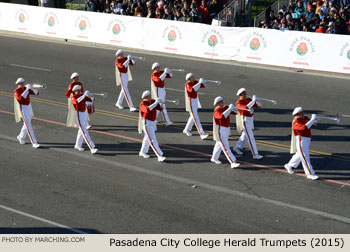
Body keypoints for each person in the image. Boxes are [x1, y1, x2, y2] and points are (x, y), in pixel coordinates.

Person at [284, 107, 319, 180]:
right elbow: (304, 128)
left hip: (307, 140)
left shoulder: (305, 118)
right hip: (301, 141)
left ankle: (289, 165)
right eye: (301, 113)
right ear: (297, 115)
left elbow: (312, 124)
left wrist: (315, 120)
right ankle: (309, 174)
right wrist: (312, 120)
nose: (303, 113)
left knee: (300, 155)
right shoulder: (296, 122)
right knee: (305, 158)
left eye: (302, 112)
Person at [233, 88, 263, 160]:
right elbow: (246, 107)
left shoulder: (248, 99)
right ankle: (255, 154)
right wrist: (253, 101)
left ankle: (237, 148)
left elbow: (259, 106)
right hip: (245, 120)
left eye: (245, 92)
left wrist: (257, 101)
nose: (245, 94)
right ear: (240, 95)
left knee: (245, 135)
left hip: (250, 118)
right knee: (250, 137)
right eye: (244, 93)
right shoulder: (238, 103)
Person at [211, 96, 240, 169]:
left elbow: (235, 113)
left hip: (226, 129)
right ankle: (233, 162)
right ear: (217, 103)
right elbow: (221, 117)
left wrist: (235, 109)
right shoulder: (216, 111)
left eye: (222, 101)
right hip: (220, 131)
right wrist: (229, 109)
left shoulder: (225, 107)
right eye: (221, 102)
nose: (222, 103)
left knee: (219, 144)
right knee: (226, 147)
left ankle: (214, 158)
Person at [138, 90, 166, 162]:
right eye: (150, 96)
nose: (151, 96)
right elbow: (148, 109)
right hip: (147, 123)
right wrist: (156, 102)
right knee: (152, 140)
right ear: (146, 97)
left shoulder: (152, 101)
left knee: (147, 138)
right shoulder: (142, 104)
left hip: (152, 122)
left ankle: (142, 151)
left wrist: (161, 103)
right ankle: (159, 155)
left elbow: (160, 108)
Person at [70, 85, 98, 154]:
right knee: (85, 132)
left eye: (80, 90)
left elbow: (92, 99)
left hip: (84, 114)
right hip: (79, 114)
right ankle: (92, 148)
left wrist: (90, 94)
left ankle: (78, 144)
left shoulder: (82, 95)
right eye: (78, 90)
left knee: (81, 131)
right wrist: (84, 95)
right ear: (75, 91)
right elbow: (77, 102)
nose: (80, 91)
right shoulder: (73, 97)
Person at [14, 78, 40, 148]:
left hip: (28, 107)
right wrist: (27, 90)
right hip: (23, 108)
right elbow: (21, 99)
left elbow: (37, 93)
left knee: (27, 124)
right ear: (18, 84)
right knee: (28, 125)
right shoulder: (16, 91)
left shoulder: (26, 88)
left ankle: (21, 137)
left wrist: (33, 88)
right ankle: (34, 142)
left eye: (23, 82)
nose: (23, 84)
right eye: (21, 83)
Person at [183, 73, 208, 139]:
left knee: (192, 117)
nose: (194, 77)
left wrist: (203, 82)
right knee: (196, 118)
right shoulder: (187, 84)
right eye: (192, 77)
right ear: (189, 78)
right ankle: (201, 134)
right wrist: (199, 83)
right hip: (190, 101)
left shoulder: (195, 82)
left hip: (195, 100)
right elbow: (192, 90)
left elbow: (204, 86)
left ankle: (186, 130)